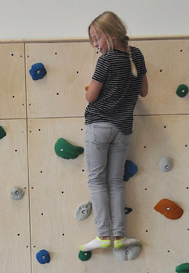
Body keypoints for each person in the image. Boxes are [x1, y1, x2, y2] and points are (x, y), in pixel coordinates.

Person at [80, 11, 148, 254]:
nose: (96, 46)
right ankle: (119, 235)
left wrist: (90, 89)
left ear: (110, 34)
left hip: (99, 126)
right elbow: (144, 91)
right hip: (123, 129)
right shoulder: (136, 55)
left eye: (97, 39)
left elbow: (91, 96)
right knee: (116, 182)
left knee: (97, 181)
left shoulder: (107, 61)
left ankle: (103, 235)